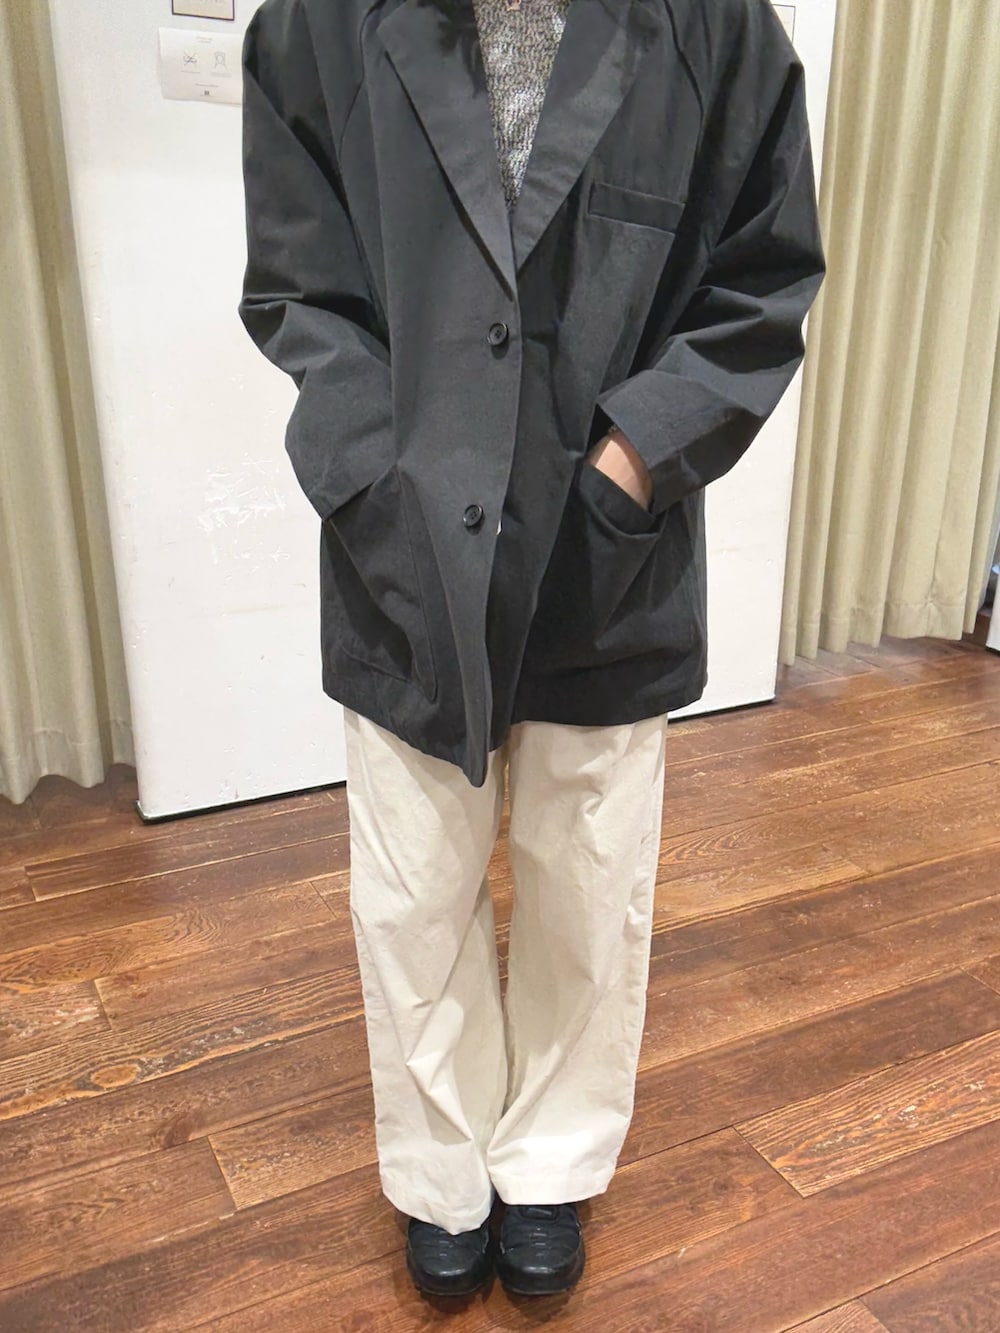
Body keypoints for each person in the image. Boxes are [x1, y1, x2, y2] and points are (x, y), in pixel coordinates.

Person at [238, 0, 825, 1300]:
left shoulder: (716, 26)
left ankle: (549, 1160)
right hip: (405, 545)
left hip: (606, 544)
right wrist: (375, 476)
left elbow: (763, 275)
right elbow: (299, 287)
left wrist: (632, 465)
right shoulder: (317, 26)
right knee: (415, 884)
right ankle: (440, 1172)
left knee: (588, 874)